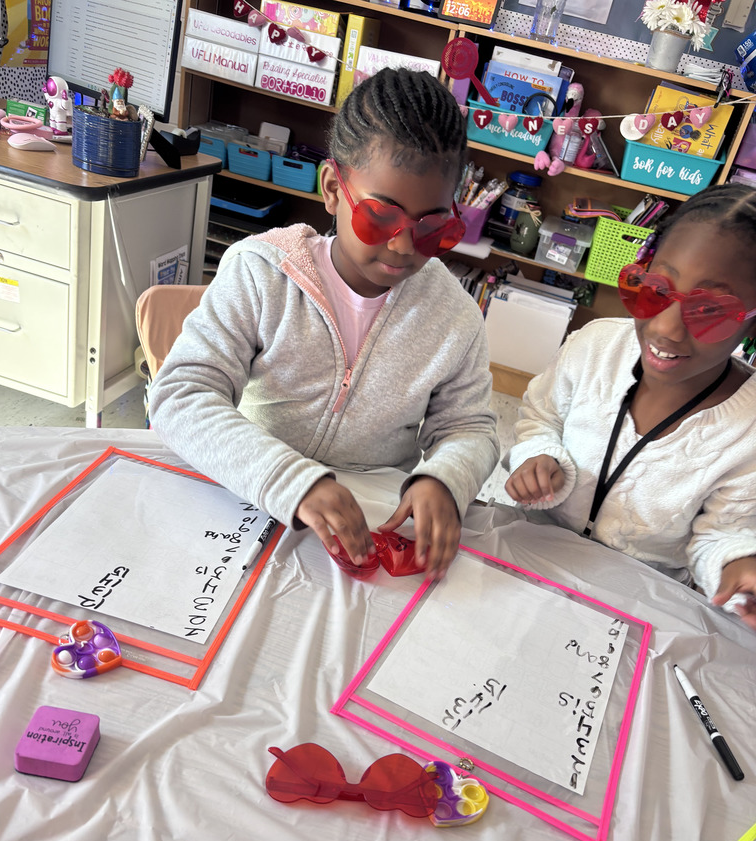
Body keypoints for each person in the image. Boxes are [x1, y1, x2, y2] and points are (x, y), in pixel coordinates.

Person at [149, 68, 499, 579]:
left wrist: (444, 479)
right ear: (334, 189)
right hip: (248, 499)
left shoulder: (455, 317)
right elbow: (180, 395)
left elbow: (471, 428)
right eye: (381, 217)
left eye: (432, 228)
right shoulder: (261, 273)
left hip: (368, 519)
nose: (403, 247)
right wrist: (293, 480)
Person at [503, 182, 756, 630]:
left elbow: (718, 536)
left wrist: (735, 567)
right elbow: (541, 415)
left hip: (633, 605)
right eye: (655, 289)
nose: (666, 329)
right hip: (530, 556)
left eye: (709, 309)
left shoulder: (746, 430)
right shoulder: (594, 346)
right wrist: (537, 455)